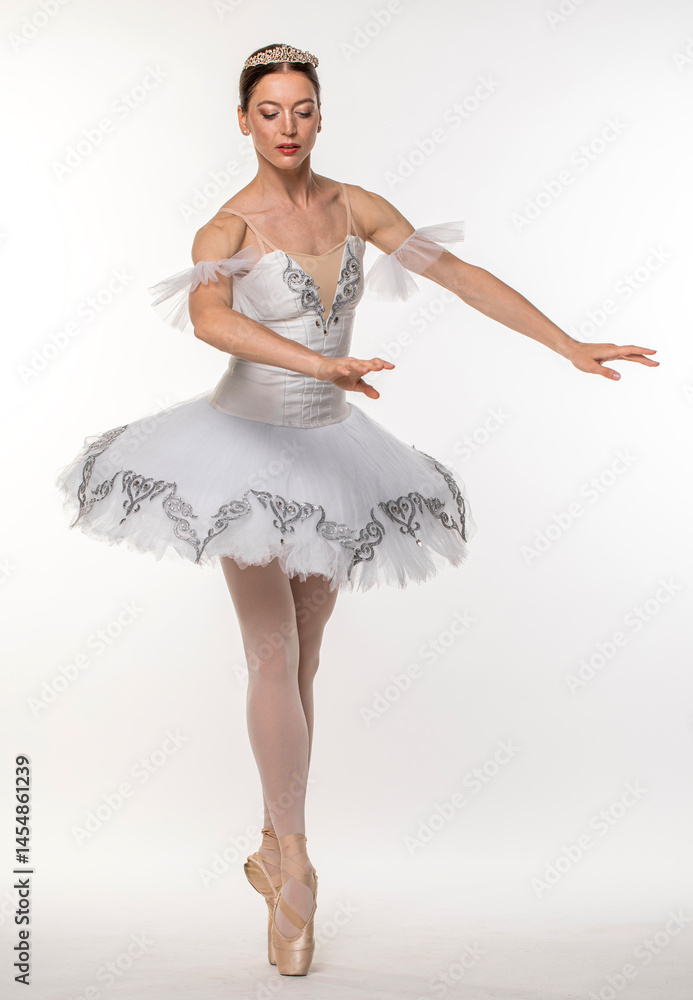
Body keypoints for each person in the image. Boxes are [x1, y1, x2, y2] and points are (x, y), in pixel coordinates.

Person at [54, 42, 659, 977]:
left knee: (308, 648)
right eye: (269, 111)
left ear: (320, 115)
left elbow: (459, 277)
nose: (286, 126)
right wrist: (317, 362)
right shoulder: (224, 228)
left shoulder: (355, 207)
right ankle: (294, 871)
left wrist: (566, 342)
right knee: (271, 652)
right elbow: (213, 322)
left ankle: (271, 838)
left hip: (335, 450)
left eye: (301, 109)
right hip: (243, 453)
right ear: (244, 121)